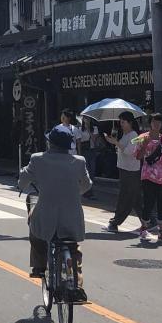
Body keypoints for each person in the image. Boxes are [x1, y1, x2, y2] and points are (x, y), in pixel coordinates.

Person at [18, 125, 91, 301]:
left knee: (35, 232)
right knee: (74, 249)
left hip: (46, 215)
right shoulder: (79, 161)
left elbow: (23, 180)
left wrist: (21, 181)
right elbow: (87, 184)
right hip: (71, 216)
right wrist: (74, 193)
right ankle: (77, 286)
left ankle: (38, 266)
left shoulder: (38, 159)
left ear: (50, 143)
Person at [135, 114, 162, 244]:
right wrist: (145, 144)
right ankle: (144, 227)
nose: (156, 124)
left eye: (159, 122)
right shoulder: (142, 137)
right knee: (148, 201)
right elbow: (138, 156)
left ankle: (161, 230)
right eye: (154, 122)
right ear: (150, 123)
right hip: (148, 175)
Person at [104, 111, 143, 232]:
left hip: (131, 170)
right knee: (135, 198)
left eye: (123, 122)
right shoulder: (125, 135)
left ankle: (115, 222)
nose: (121, 125)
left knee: (126, 197)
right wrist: (114, 142)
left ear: (130, 122)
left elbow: (129, 152)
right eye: (120, 122)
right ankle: (148, 220)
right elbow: (122, 149)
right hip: (124, 168)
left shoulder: (135, 135)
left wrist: (116, 142)